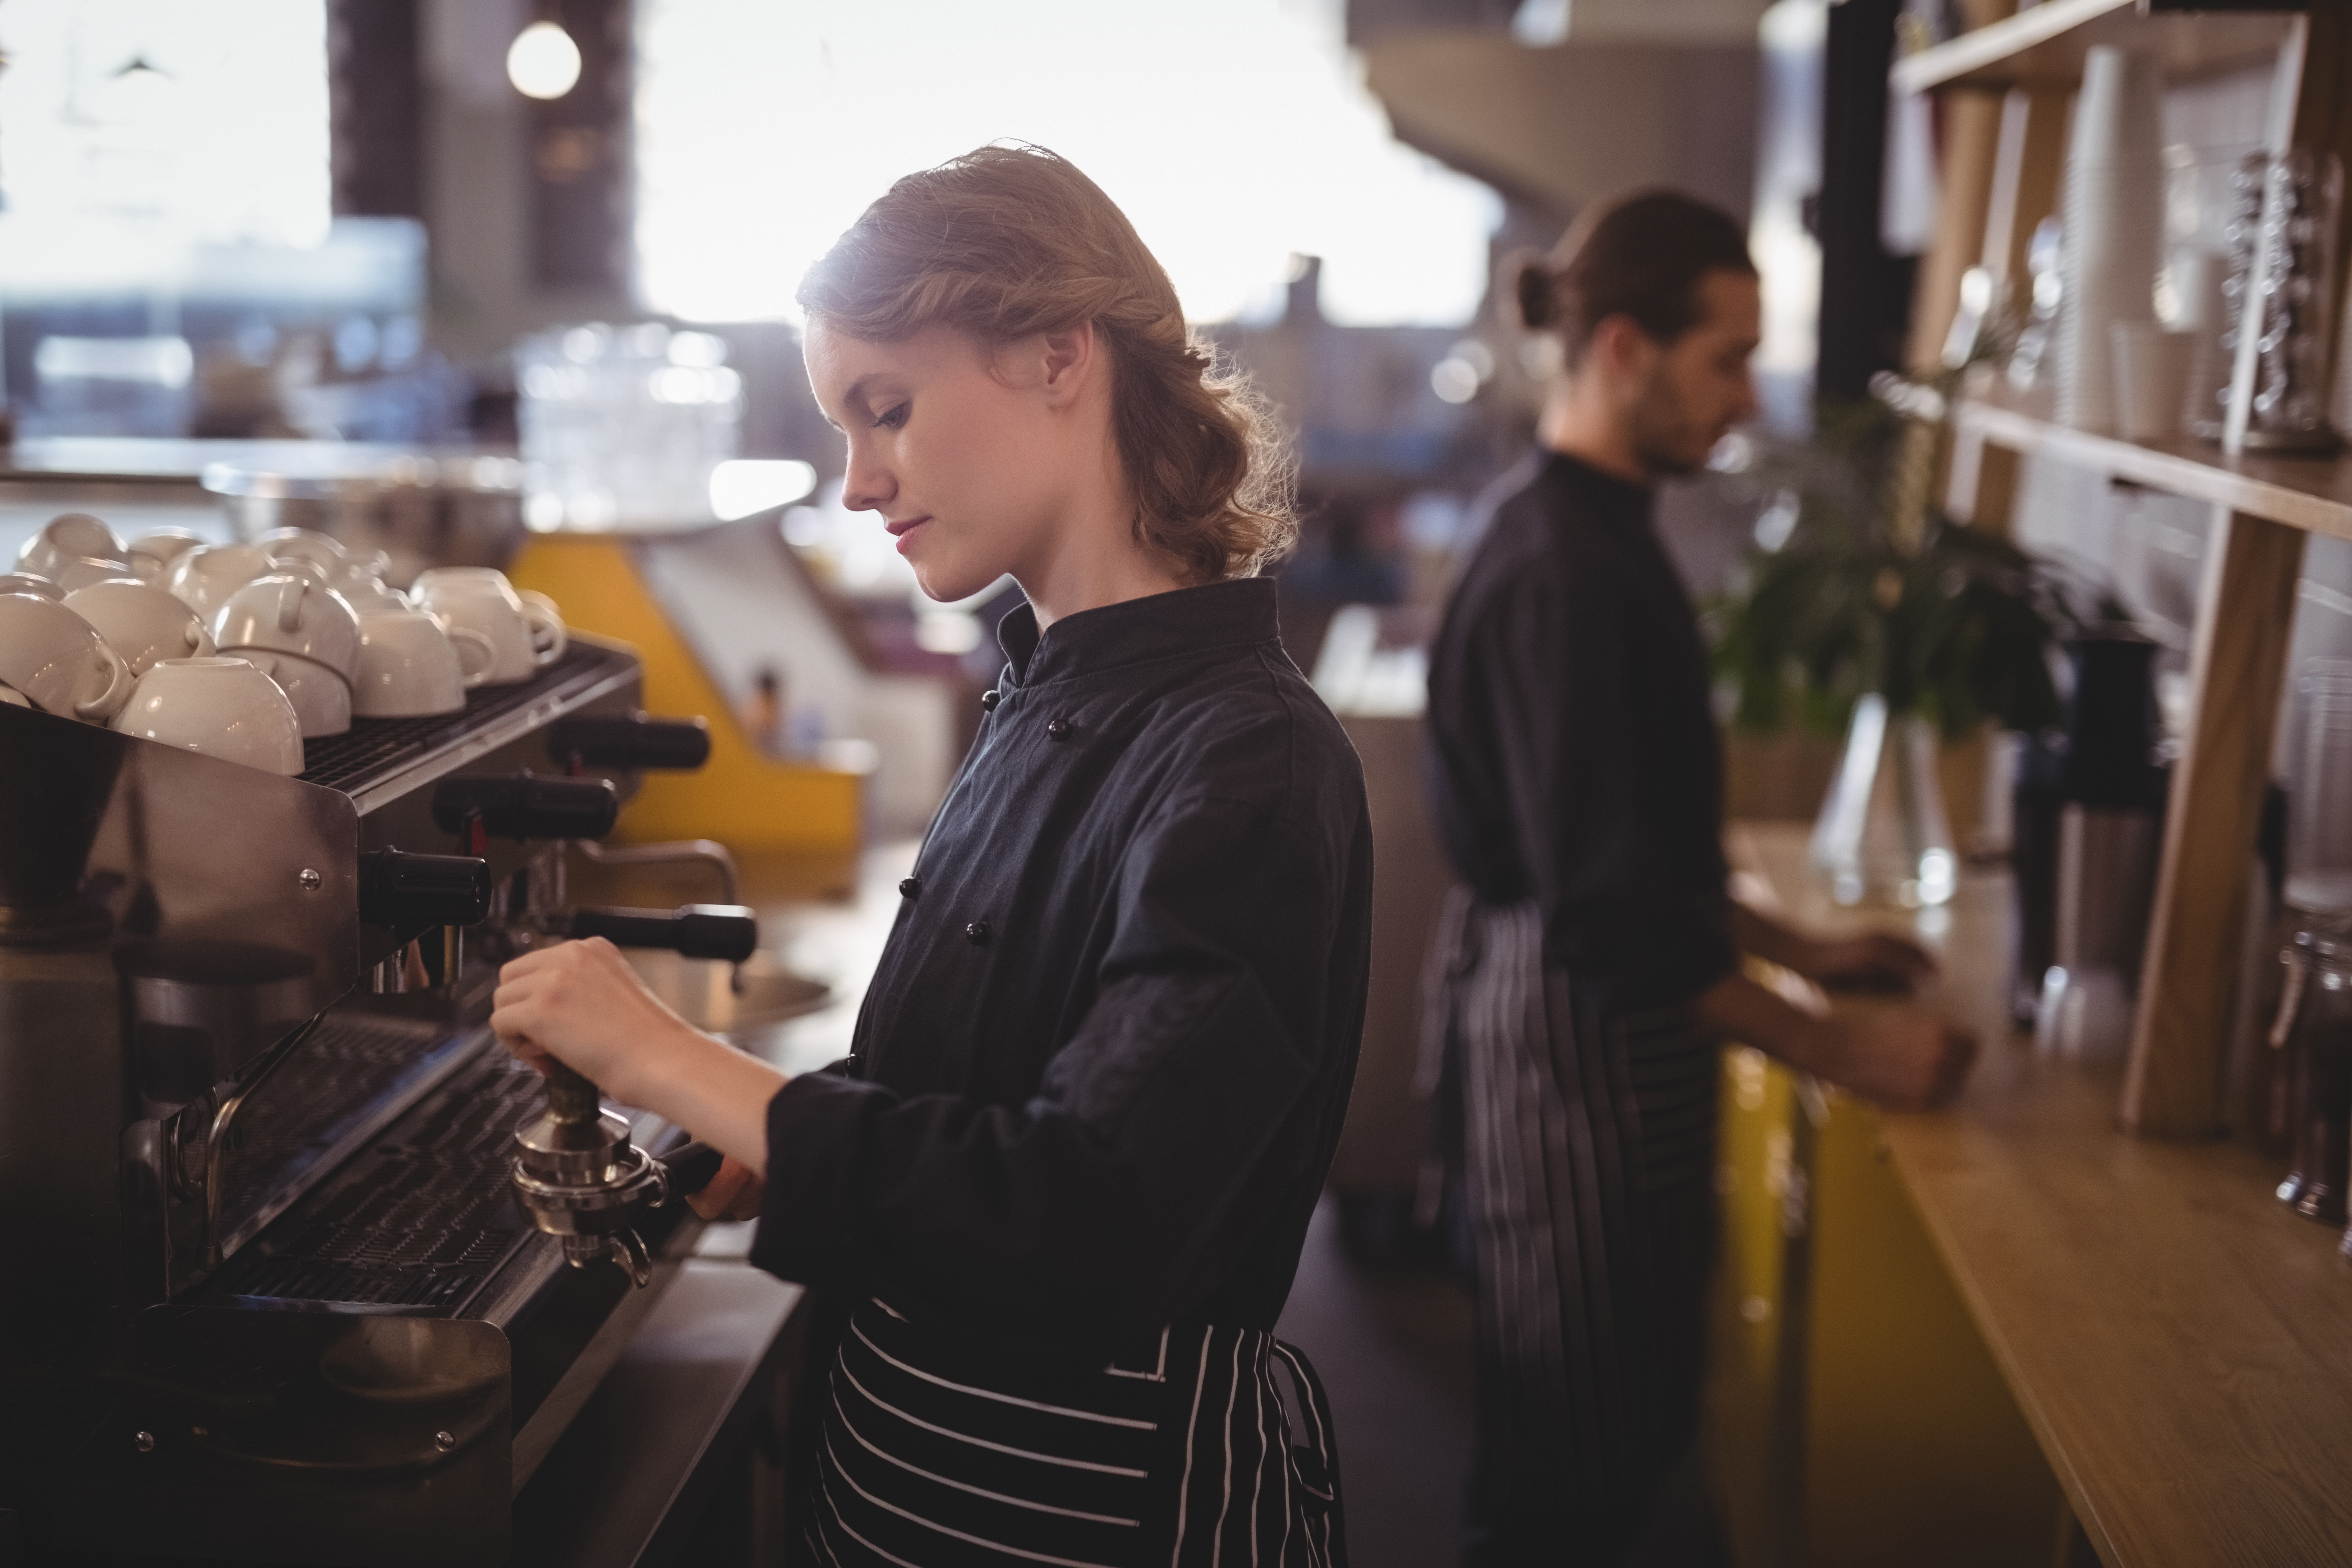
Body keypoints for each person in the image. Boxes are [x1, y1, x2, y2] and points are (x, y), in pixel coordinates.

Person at [490, 145, 1373, 1567]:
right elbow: (998, 1076)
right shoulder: (1045, 685)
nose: (859, 480)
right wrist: (774, 1142)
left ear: (1057, 355)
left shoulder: (1247, 762)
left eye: (884, 409)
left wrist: (670, 1059)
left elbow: (1097, 1206)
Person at [1422, 190, 1977, 1566]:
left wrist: (1798, 942)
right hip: (1572, 1051)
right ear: (1624, 346)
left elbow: (1636, 844)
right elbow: (1607, 911)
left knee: (1616, 1429)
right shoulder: (1571, 571)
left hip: (1589, 1037)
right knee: (1569, 1485)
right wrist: (1833, 1043)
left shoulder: (1593, 526)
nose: (1744, 397)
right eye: (1727, 357)